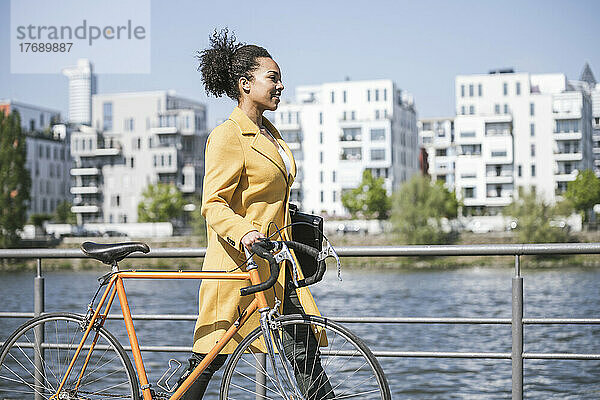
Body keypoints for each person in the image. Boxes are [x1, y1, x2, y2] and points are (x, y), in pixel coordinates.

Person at [177, 28, 333, 399]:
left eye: (281, 79)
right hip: (239, 264)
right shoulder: (229, 135)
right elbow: (212, 203)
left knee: (304, 352)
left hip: (278, 262)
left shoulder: (271, 135)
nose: (281, 86)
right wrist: (245, 231)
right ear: (245, 84)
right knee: (209, 357)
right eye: (273, 78)